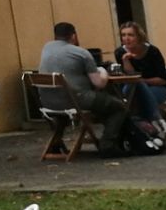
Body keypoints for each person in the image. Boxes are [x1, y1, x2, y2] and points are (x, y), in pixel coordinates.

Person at [37, 22, 129, 156]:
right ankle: (108, 145)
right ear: (73, 36)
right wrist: (103, 72)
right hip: (76, 101)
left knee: (98, 104)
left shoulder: (47, 48)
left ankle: (56, 143)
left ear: (55, 35)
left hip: (49, 103)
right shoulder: (81, 53)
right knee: (118, 107)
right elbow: (99, 83)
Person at [115, 21, 166, 136]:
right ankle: (158, 121)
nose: (127, 38)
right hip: (132, 89)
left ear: (139, 36)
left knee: (135, 94)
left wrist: (142, 81)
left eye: (131, 35)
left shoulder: (153, 51)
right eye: (123, 35)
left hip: (157, 88)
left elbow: (162, 80)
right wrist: (126, 60)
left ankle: (144, 135)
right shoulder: (120, 52)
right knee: (134, 83)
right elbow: (130, 77)